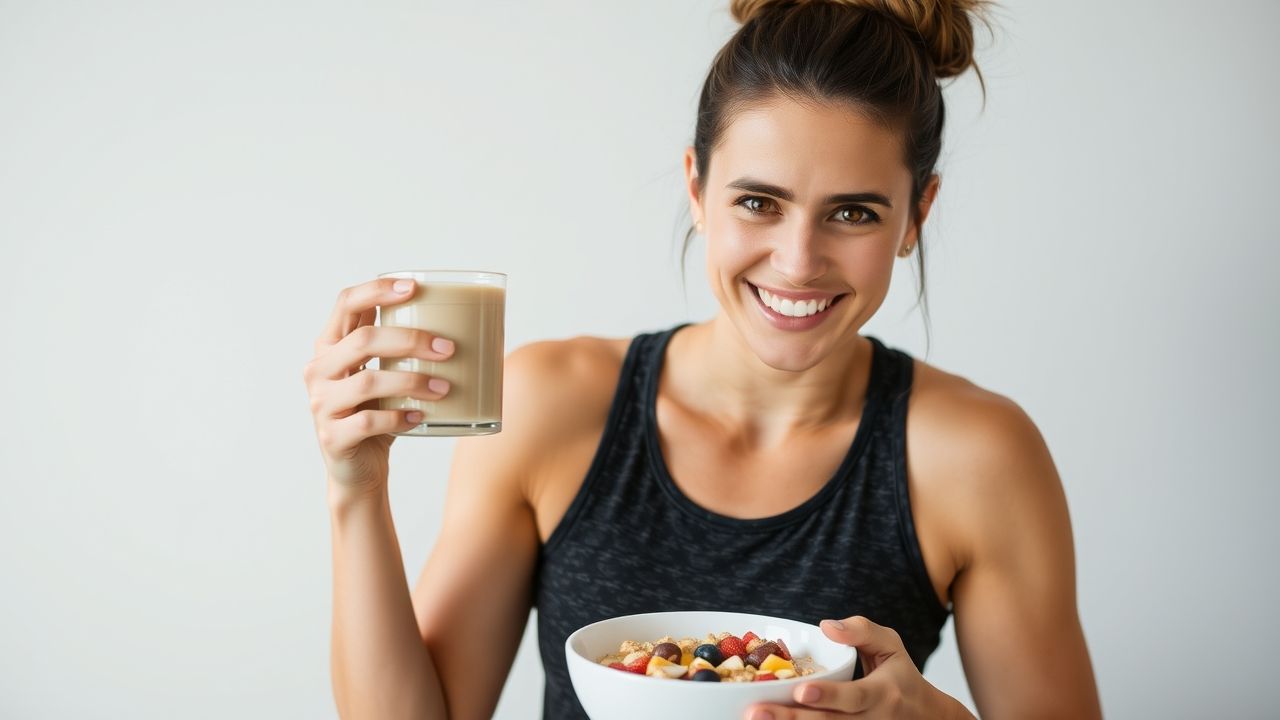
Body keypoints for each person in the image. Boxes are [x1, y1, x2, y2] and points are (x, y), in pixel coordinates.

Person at [302, 0, 1103, 717]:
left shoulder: (980, 457)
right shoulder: (549, 404)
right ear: (696, 185)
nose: (797, 263)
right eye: (759, 202)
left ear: (915, 216)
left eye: (853, 213)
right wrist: (357, 490)